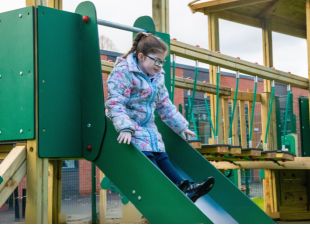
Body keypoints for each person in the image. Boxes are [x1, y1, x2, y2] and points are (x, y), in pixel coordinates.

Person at [105, 32, 214, 202]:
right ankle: (166, 189)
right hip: (128, 122)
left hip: (147, 124)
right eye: (156, 60)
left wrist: (181, 126)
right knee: (147, 154)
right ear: (141, 56)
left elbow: (164, 104)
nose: (159, 65)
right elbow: (115, 102)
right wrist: (125, 127)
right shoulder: (123, 71)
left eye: (162, 61)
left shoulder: (157, 76)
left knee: (160, 153)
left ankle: (186, 186)